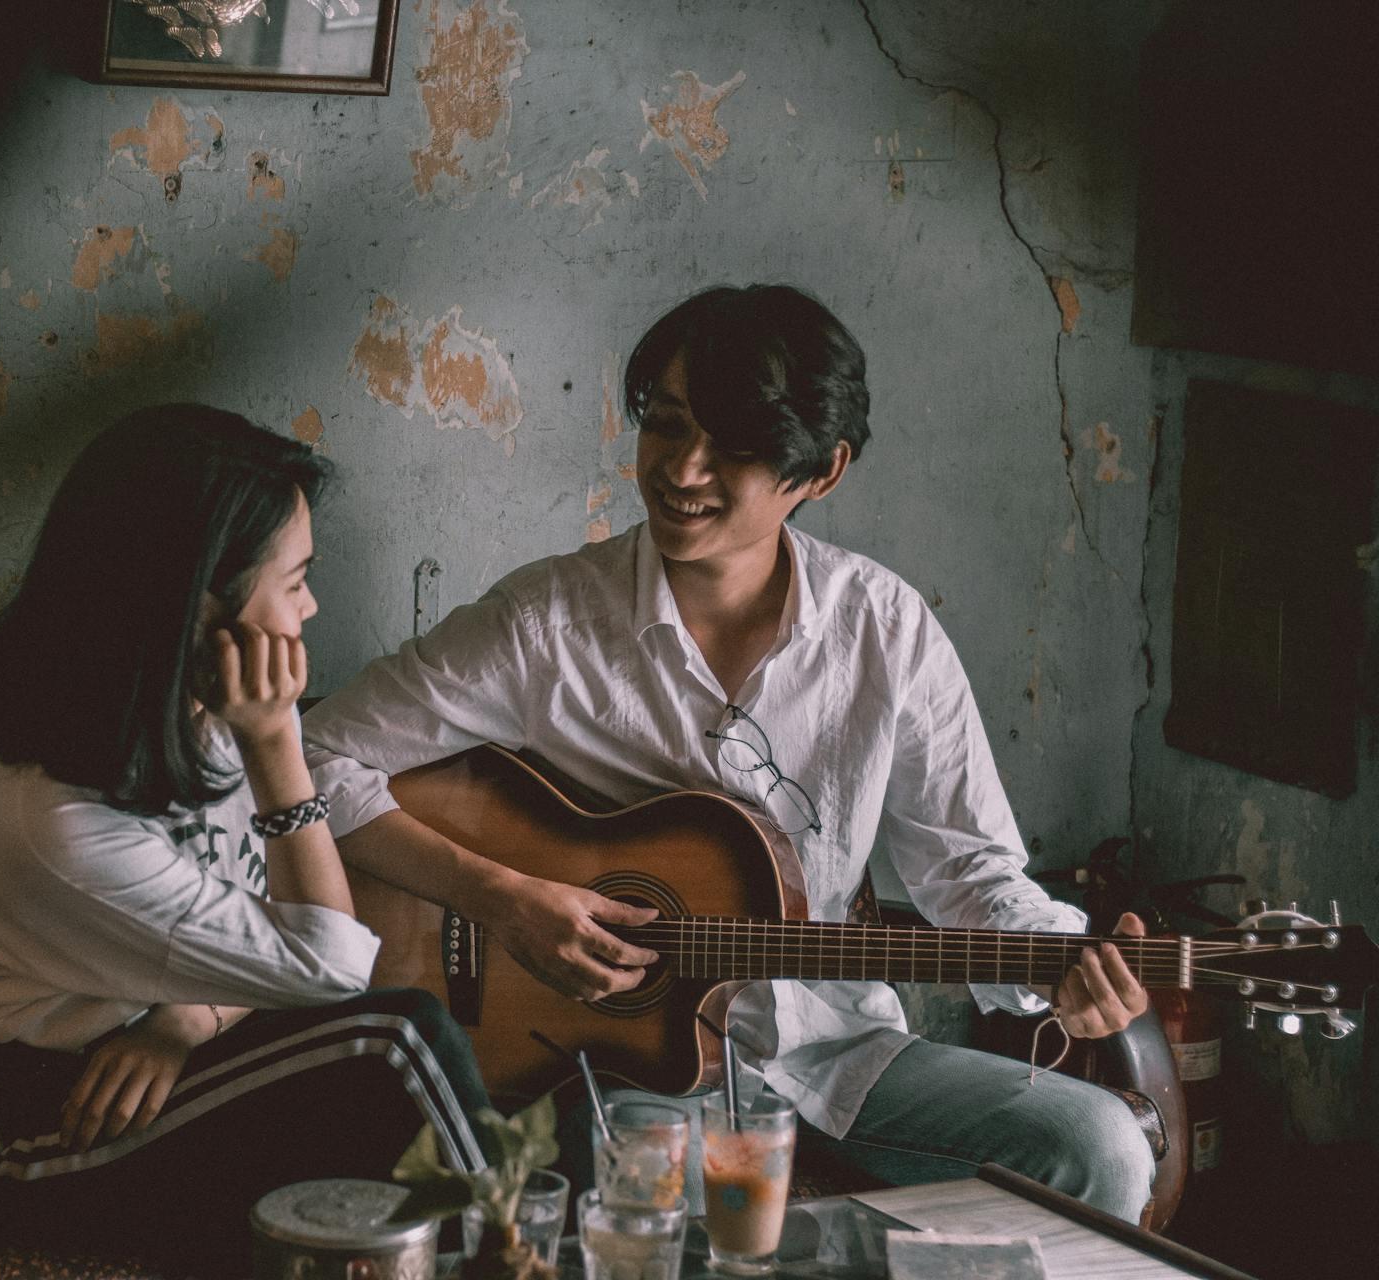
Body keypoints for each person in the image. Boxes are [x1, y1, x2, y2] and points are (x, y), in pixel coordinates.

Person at [303, 286, 1157, 1222]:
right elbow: (315, 759)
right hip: (629, 1075)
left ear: (821, 471)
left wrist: (1056, 962)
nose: (683, 469)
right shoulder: (546, 625)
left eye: (736, 448)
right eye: (668, 425)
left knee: (1098, 1146)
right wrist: (502, 901)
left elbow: (968, 870)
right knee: (660, 1200)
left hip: (842, 1054)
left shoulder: (886, 628)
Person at [0, 404, 489, 1269]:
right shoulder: (58, 824)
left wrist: (187, 1018)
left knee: (557, 1121)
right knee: (397, 1040)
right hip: (46, 1113)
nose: (312, 605)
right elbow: (333, 970)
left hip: (184, 1053)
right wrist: (276, 746)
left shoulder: (207, 702)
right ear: (198, 600)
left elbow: (294, 945)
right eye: (295, 579)